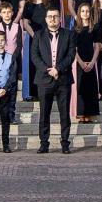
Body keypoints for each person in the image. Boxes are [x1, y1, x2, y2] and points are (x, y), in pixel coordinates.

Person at [32, 9, 75, 154]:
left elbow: (71, 55)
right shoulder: (38, 35)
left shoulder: (69, 34)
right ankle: (44, 143)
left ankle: (65, 143)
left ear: (60, 18)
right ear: (45, 19)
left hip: (63, 79)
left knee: (64, 113)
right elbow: (34, 56)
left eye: (55, 16)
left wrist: (58, 69)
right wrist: (48, 70)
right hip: (44, 80)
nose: (52, 19)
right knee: (44, 113)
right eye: (50, 16)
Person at [71, 4, 101, 122]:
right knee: (80, 88)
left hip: (91, 61)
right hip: (79, 63)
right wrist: (81, 63)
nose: (85, 13)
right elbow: (73, 48)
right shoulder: (75, 29)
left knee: (90, 88)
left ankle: (89, 114)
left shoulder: (95, 28)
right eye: (83, 11)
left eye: (87, 11)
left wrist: (93, 62)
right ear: (79, 13)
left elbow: (97, 47)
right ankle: (81, 114)